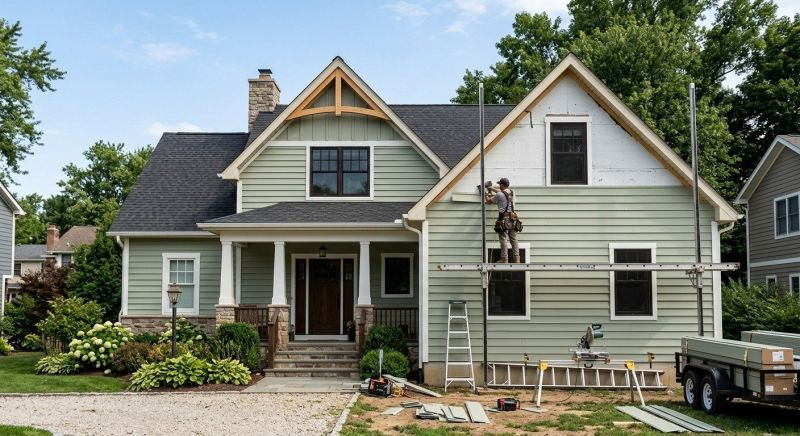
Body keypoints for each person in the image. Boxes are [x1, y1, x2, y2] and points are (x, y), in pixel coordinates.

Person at [485, 177, 520, 263]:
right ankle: (517, 258)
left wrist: (486, 193)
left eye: (499, 184)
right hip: (513, 219)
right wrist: (492, 188)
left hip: (504, 219)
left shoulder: (499, 195)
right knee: (513, 239)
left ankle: (504, 258)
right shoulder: (512, 192)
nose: (499, 185)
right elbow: (502, 193)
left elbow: (489, 202)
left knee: (503, 238)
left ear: (502, 185)